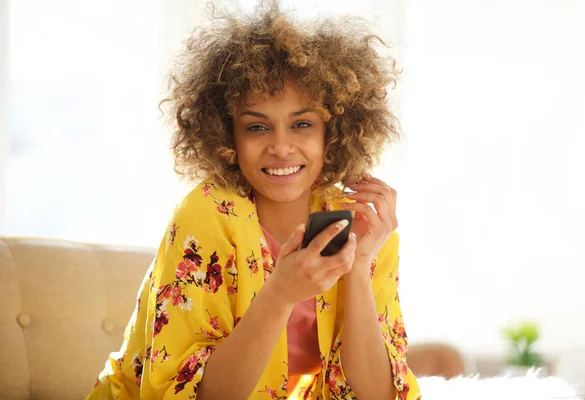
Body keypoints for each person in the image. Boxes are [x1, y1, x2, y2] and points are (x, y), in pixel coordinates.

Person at [87, 1, 421, 399]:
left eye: (302, 124)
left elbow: (378, 395)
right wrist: (280, 293)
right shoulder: (205, 215)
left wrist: (361, 266)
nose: (281, 147)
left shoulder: (360, 224)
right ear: (228, 137)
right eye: (257, 127)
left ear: (332, 133)